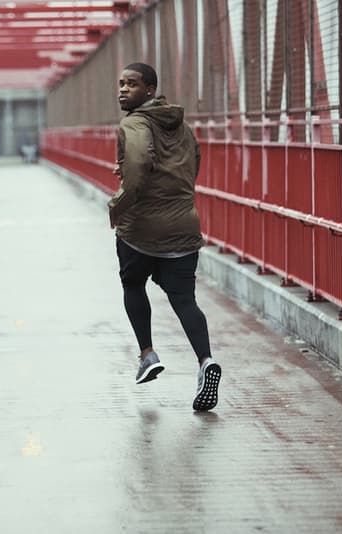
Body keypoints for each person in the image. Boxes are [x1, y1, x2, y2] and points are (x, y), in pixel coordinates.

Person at [109, 62, 221, 411]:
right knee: (184, 299)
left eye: (132, 84)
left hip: (141, 227)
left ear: (150, 91)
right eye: (121, 83)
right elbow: (192, 166)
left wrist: (118, 203)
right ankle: (205, 361)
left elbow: (140, 165)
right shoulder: (183, 128)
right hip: (183, 225)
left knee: (132, 285)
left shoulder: (133, 123)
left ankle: (147, 354)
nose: (123, 90)